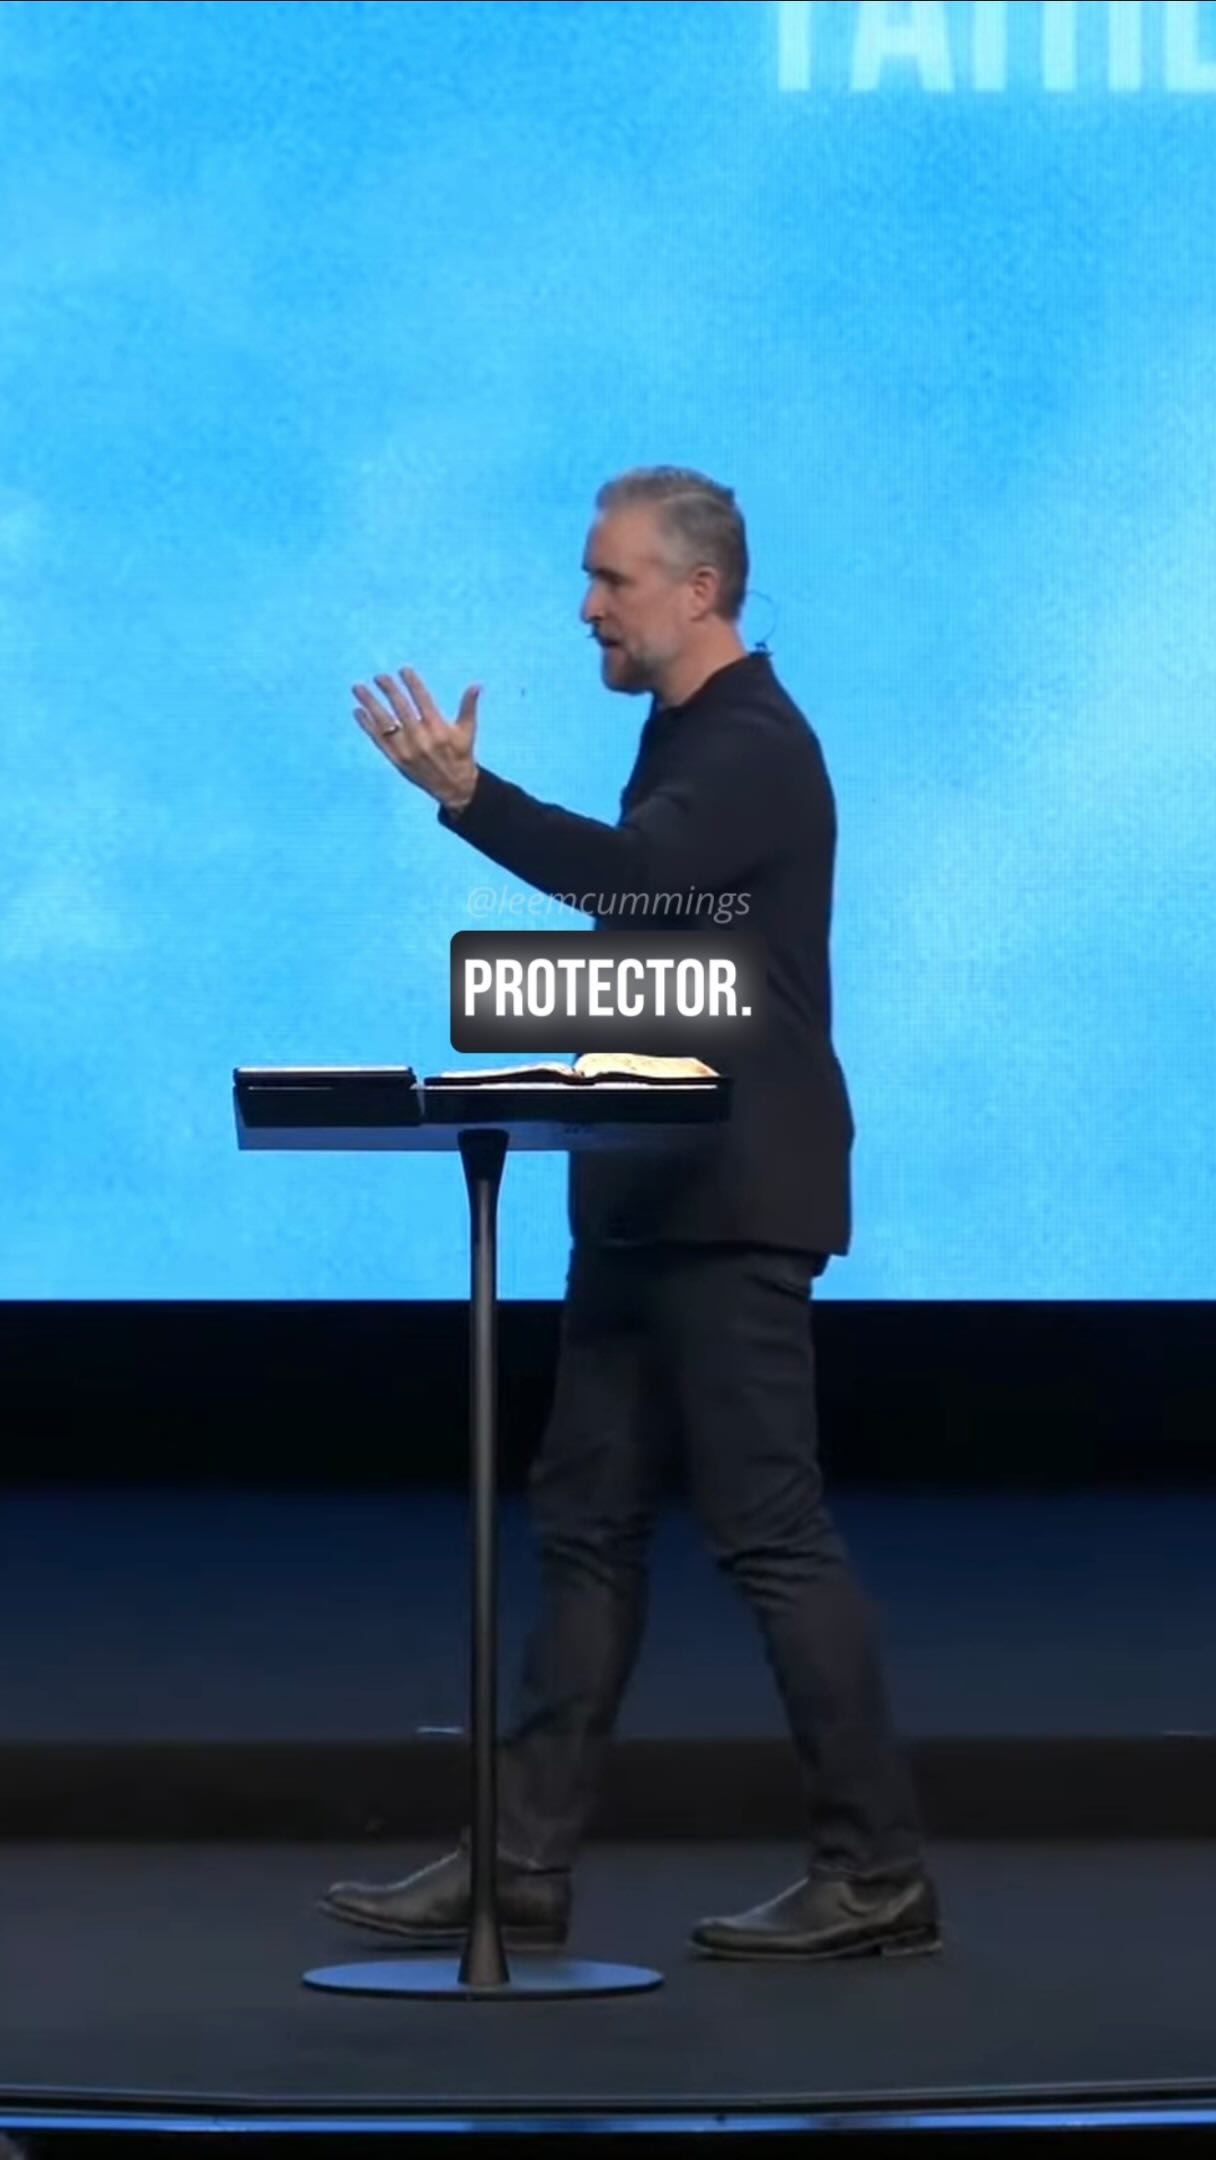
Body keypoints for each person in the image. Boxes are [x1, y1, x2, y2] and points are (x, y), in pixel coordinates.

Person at [321, 467, 940, 1961]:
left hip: (730, 1198)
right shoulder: (687, 735)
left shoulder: (754, 744)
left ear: (699, 591)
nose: (587, 607)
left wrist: (469, 798)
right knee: (585, 1527)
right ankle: (520, 1864)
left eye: (612, 580)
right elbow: (660, 940)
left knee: (769, 1531)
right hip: (646, 1190)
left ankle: (878, 1876)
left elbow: (641, 881)